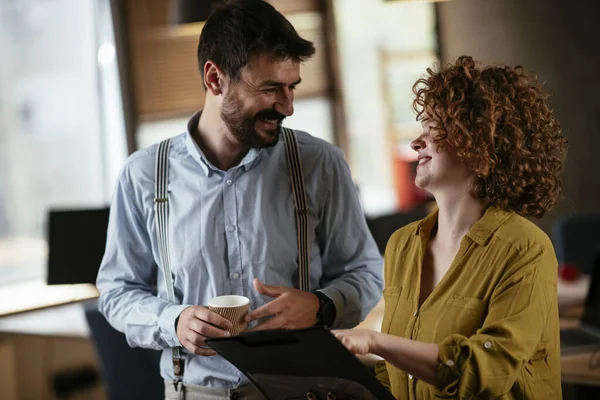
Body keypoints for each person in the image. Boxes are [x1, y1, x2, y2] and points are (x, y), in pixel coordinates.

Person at [95, 1, 384, 399]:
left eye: (291, 87)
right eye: (269, 89)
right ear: (215, 79)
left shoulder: (320, 164)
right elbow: (117, 291)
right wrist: (172, 321)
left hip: (304, 391)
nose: (288, 106)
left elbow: (367, 272)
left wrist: (321, 306)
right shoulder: (143, 175)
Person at [333, 55, 568, 399]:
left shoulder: (526, 249)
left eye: (434, 128)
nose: (417, 142)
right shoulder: (402, 245)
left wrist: (374, 341)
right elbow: (393, 376)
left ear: (481, 144)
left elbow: (484, 372)